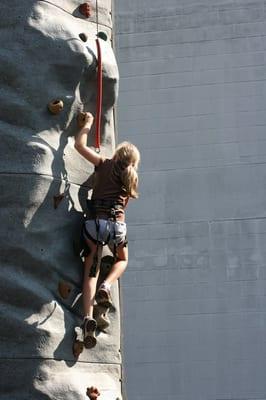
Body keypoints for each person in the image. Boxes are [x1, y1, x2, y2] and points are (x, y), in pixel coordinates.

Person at [74, 112, 140, 348]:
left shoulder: (103, 163)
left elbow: (79, 145)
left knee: (90, 269)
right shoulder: (130, 178)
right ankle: (107, 285)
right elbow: (123, 206)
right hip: (117, 228)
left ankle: (88, 317)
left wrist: (88, 125)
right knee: (122, 260)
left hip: (95, 225)